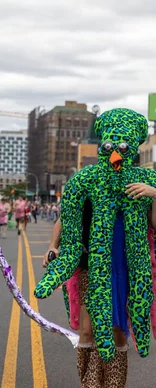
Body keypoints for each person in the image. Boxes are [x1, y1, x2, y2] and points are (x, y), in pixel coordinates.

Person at [35, 109, 156, 387]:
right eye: (109, 148)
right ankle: (90, 384)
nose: (115, 155)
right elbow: (65, 221)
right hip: (90, 265)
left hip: (127, 268)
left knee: (118, 334)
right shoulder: (84, 181)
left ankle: (113, 384)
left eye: (122, 148)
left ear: (134, 148)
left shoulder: (143, 182)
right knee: (89, 332)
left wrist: (154, 193)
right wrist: (55, 249)